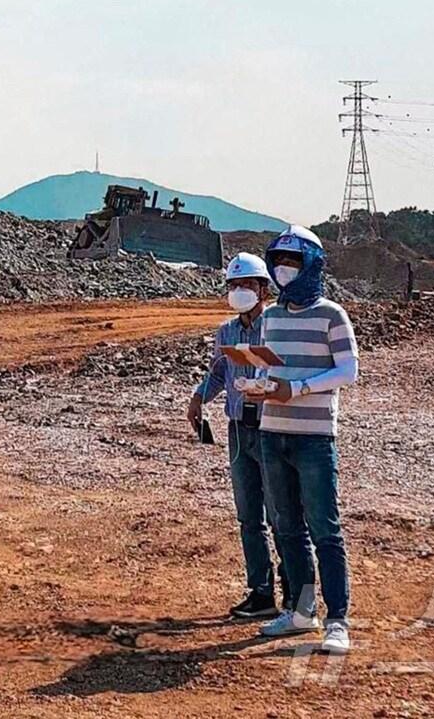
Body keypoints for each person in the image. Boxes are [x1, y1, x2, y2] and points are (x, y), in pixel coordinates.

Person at [243, 225, 358, 654]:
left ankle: (337, 619)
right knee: (287, 527)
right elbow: (268, 366)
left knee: (325, 529)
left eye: (293, 261)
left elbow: (348, 371)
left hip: (314, 437)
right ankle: (301, 610)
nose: (284, 269)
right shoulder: (271, 316)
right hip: (272, 432)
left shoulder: (332, 315)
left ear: (312, 265)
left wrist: (298, 388)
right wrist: (257, 384)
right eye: (279, 262)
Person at [188, 253, 291, 619]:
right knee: (249, 516)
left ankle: (294, 592)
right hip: (237, 429)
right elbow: (219, 372)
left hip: (271, 429)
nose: (239, 291)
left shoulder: (279, 326)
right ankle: (261, 593)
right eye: (233, 285)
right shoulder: (226, 332)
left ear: (264, 289)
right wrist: (199, 397)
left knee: (281, 515)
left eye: (246, 284)